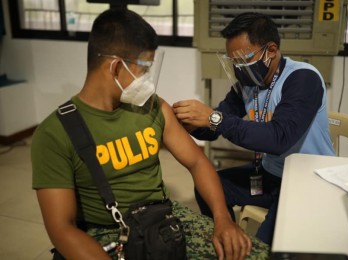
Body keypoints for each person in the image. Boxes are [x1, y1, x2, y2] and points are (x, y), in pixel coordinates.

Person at [31, 8, 254, 260]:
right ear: (115, 68)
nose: (147, 80)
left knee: (251, 253)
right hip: (106, 232)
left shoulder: (152, 107)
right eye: (143, 69)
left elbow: (197, 161)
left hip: (160, 221)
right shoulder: (55, 133)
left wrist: (223, 218)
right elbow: (62, 228)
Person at [173, 12, 335, 245]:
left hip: (306, 178)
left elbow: (278, 138)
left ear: (271, 51)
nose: (239, 68)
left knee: (265, 246)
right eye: (233, 62)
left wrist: (214, 118)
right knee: (208, 188)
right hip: (269, 174)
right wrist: (189, 121)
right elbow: (215, 126)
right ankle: (227, 234)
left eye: (243, 60)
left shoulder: (302, 79)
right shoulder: (248, 84)